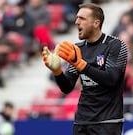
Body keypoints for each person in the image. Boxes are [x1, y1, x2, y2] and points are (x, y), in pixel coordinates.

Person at [42, 3, 128, 135]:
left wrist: (81, 64)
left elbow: (112, 80)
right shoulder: (78, 49)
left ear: (96, 23)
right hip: (82, 121)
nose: (76, 22)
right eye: (77, 18)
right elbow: (67, 87)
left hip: (108, 122)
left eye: (82, 18)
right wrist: (57, 71)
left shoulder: (115, 45)